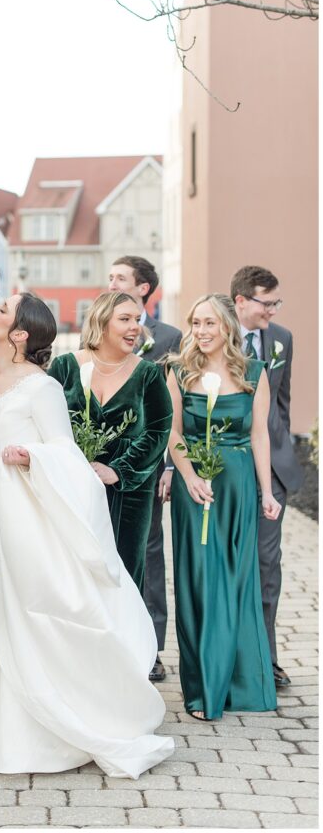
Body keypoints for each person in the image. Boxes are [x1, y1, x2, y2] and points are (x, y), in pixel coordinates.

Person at [0, 292, 174, 777]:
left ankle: (48, 728)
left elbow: (68, 457)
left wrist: (34, 457)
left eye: (2, 308)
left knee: (21, 618)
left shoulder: (41, 388)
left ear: (20, 334)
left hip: (20, 517)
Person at [166, 293, 280, 721]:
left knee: (236, 579)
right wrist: (190, 476)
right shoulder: (177, 371)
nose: (202, 332)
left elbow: (259, 436)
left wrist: (266, 492)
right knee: (198, 582)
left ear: (228, 327)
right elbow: (173, 433)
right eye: (196, 323)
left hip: (237, 487)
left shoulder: (254, 372)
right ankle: (202, 688)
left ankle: (240, 682)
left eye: (210, 323)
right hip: (195, 488)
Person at [49, 292, 173, 592]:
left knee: (124, 578)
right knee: (74, 580)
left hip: (129, 495)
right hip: (73, 490)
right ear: (102, 322)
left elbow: (158, 430)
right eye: (125, 319)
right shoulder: (64, 368)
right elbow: (47, 424)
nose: (135, 327)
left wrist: (118, 470)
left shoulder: (148, 375)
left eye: (136, 320)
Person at [108, 256, 181, 682]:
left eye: (120, 278)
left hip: (149, 462)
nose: (112, 282)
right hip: (102, 457)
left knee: (150, 552)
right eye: (111, 277)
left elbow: (173, 410)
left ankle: (150, 647)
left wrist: (170, 464)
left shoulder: (169, 338)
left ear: (144, 288)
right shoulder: (99, 330)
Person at [231, 265, 303, 689]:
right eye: (266, 302)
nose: (273, 311)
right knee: (227, 563)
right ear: (241, 301)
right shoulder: (213, 332)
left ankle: (267, 658)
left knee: (266, 564)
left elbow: (282, 402)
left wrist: (281, 453)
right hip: (224, 464)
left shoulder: (281, 340)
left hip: (271, 469)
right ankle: (229, 654)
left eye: (277, 302)